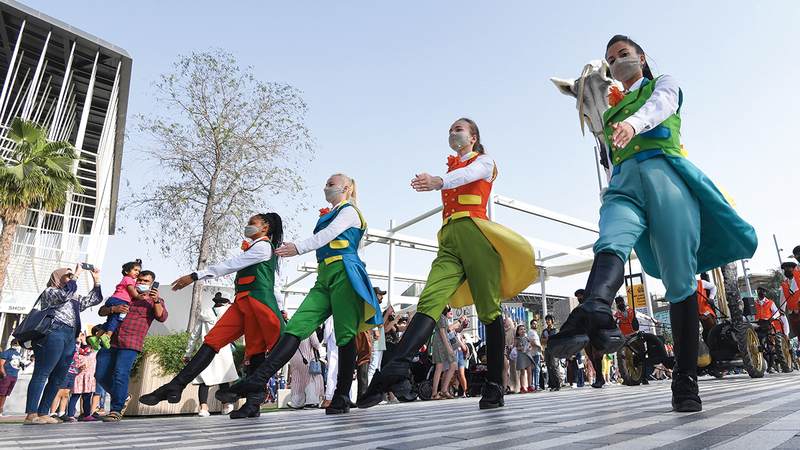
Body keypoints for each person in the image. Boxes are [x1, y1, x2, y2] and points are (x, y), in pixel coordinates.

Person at [546, 35, 758, 413]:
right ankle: (594, 307)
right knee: (610, 238)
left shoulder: (664, 84)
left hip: (667, 180)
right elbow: (610, 155)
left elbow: (660, 107)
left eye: (623, 54)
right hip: (624, 185)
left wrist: (633, 123)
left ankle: (685, 378)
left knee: (679, 279)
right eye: (611, 58)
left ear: (641, 58)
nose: (618, 62)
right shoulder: (610, 110)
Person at [360, 118, 537, 410]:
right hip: (449, 239)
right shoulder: (452, 168)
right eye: (450, 130)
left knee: (489, 308)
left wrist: (438, 181)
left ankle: (495, 384)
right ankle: (394, 370)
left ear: (473, 137)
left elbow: (468, 175)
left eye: (458, 129)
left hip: (476, 234)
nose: (453, 133)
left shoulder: (484, 161)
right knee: (429, 299)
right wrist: (441, 179)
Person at [216, 173, 383, 416]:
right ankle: (257, 380)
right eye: (326, 184)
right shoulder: (329, 213)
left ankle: (342, 395)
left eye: (331, 184)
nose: (326, 187)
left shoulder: (350, 212)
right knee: (296, 326)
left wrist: (298, 248)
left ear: (346, 188)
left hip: (346, 271)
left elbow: (328, 235)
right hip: (324, 276)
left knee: (345, 334)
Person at [140, 214, 284, 420]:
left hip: (258, 302)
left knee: (255, 351)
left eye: (252, 223)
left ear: (266, 227)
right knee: (212, 341)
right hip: (242, 302)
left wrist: (196, 275)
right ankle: (176, 385)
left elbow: (232, 264)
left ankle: (253, 404)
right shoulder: (256, 248)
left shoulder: (263, 247)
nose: (248, 226)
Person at [24, 265, 103, 425]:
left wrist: (96, 281)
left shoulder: (73, 296)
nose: (72, 277)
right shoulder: (50, 292)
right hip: (53, 332)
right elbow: (64, 295)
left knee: (59, 376)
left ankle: (43, 412)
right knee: (42, 373)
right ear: (58, 277)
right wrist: (76, 275)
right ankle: (31, 414)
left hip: (70, 335)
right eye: (68, 275)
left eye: (72, 275)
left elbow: (94, 300)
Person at [95, 270, 167, 422]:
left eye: (145, 281)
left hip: (131, 342)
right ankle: (124, 397)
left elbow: (161, 317)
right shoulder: (125, 295)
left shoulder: (154, 300)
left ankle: (116, 409)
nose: (141, 283)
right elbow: (101, 311)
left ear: (152, 284)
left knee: (121, 373)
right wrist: (114, 309)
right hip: (111, 341)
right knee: (100, 375)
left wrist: (155, 300)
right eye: (139, 280)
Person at [184, 292, 239, 417]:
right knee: (224, 378)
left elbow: (195, 335)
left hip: (206, 349)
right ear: (226, 302)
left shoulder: (205, 313)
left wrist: (188, 353)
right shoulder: (230, 312)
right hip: (223, 350)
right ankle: (225, 406)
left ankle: (203, 408)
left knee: (205, 379)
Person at [92, 260, 145, 349]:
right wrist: (139, 297)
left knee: (110, 321)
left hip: (113, 299)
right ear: (126, 271)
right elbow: (131, 290)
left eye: (139, 271)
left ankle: (96, 337)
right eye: (135, 270)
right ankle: (107, 337)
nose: (137, 273)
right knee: (115, 320)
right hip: (120, 300)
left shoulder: (128, 279)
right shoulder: (129, 279)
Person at [430, 306, 460, 400]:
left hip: (439, 341)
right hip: (442, 342)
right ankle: (441, 390)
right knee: (451, 364)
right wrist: (448, 347)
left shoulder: (439, 316)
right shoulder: (442, 317)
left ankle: (437, 392)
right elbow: (442, 332)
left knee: (440, 366)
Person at [287, 333, 324, 409]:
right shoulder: (310, 329)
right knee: (311, 379)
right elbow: (316, 344)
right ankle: (311, 402)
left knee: (296, 381)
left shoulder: (291, 328)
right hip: (306, 357)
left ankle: (296, 403)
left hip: (293, 358)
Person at [67, 333, 97, 421]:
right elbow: (74, 365)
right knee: (75, 396)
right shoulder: (78, 354)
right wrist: (79, 368)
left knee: (87, 397)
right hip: (79, 378)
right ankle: (70, 414)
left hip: (89, 379)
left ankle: (87, 415)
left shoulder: (94, 355)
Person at [367, 286, 390, 385]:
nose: (382, 297)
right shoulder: (373, 306)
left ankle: (373, 389)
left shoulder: (374, 306)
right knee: (373, 368)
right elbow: (380, 324)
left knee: (376, 369)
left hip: (378, 344)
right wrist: (387, 314)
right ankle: (369, 389)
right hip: (375, 343)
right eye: (380, 294)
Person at [0, 339, 25, 416]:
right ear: (11, 344)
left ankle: (1, 410)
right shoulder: (6, 353)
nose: (16, 345)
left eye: (18, 343)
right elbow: (1, 364)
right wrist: (4, 374)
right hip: (7, 375)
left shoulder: (18, 354)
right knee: (1, 393)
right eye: (15, 343)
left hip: (14, 375)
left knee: (5, 394)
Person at [540, 314, 561, 391]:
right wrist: (548, 340)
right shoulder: (544, 331)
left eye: (549, 319)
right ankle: (552, 384)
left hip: (554, 349)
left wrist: (547, 340)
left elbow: (557, 339)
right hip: (547, 349)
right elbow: (541, 341)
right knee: (549, 366)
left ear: (552, 321)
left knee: (554, 366)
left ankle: (558, 383)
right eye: (547, 320)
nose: (547, 321)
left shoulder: (555, 330)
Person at [780, 262, 800, 339]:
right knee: (797, 331)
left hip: (799, 309)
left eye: (788, 269)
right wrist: (782, 310)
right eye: (785, 269)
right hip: (792, 312)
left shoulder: (798, 280)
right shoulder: (784, 284)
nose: (787, 271)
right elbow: (783, 297)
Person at [697, 272, 718, 343]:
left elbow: (713, 287)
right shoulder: (685, 288)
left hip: (706, 311)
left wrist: (711, 298)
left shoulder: (701, 283)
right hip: (695, 315)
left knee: (712, 330)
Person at [514, 324, 534, 393]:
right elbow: (514, 348)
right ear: (518, 331)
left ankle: (530, 386)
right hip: (521, 355)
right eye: (521, 329)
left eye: (524, 329)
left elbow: (530, 346)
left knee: (529, 371)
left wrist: (530, 349)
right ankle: (522, 387)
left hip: (527, 355)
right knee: (522, 371)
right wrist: (519, 348)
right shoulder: (517, 339)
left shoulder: (527, 338)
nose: (523, 330)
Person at [527, 319, 543, 392]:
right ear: (531, 325)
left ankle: (535, 385)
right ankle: (535, 385)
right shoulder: (531, 332)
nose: (535, 325)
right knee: (535, 369)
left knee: (536, 369)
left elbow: (537, 342)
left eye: (536, 324)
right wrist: (538, 347)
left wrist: (541, 353)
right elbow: (531, 342)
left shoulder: (535, 332)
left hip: (537, 353)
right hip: (533, 353)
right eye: (534, 324)